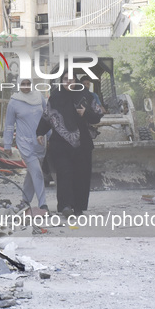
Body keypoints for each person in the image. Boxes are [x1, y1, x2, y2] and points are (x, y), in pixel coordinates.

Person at [36, 71, 104, 217]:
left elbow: (97, 117)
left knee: (81, 175)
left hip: (82, 145)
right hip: (60, 145)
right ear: (61, 81)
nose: (68, 82)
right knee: (64, 174)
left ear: (76, 80)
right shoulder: (55, 97)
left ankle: (78, 207)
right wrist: (40, 132)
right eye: (65, 79)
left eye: (71, 79)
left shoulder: (85, 95)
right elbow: (47, 117)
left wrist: (85, 113)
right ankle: (66, 206)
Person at [4, 78, 48, 212]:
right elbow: (9, 125)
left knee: (32, 173)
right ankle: (43, 204)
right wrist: (7, 144)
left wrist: (50, 137)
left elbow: (48, 118)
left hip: (40, 142)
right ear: (18, 85)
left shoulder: (39, 98)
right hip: (24, 142)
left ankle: (25, 200)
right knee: (37, 172)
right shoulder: (14, 102)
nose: (26, 86)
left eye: (28, 83)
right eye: (23, 84)